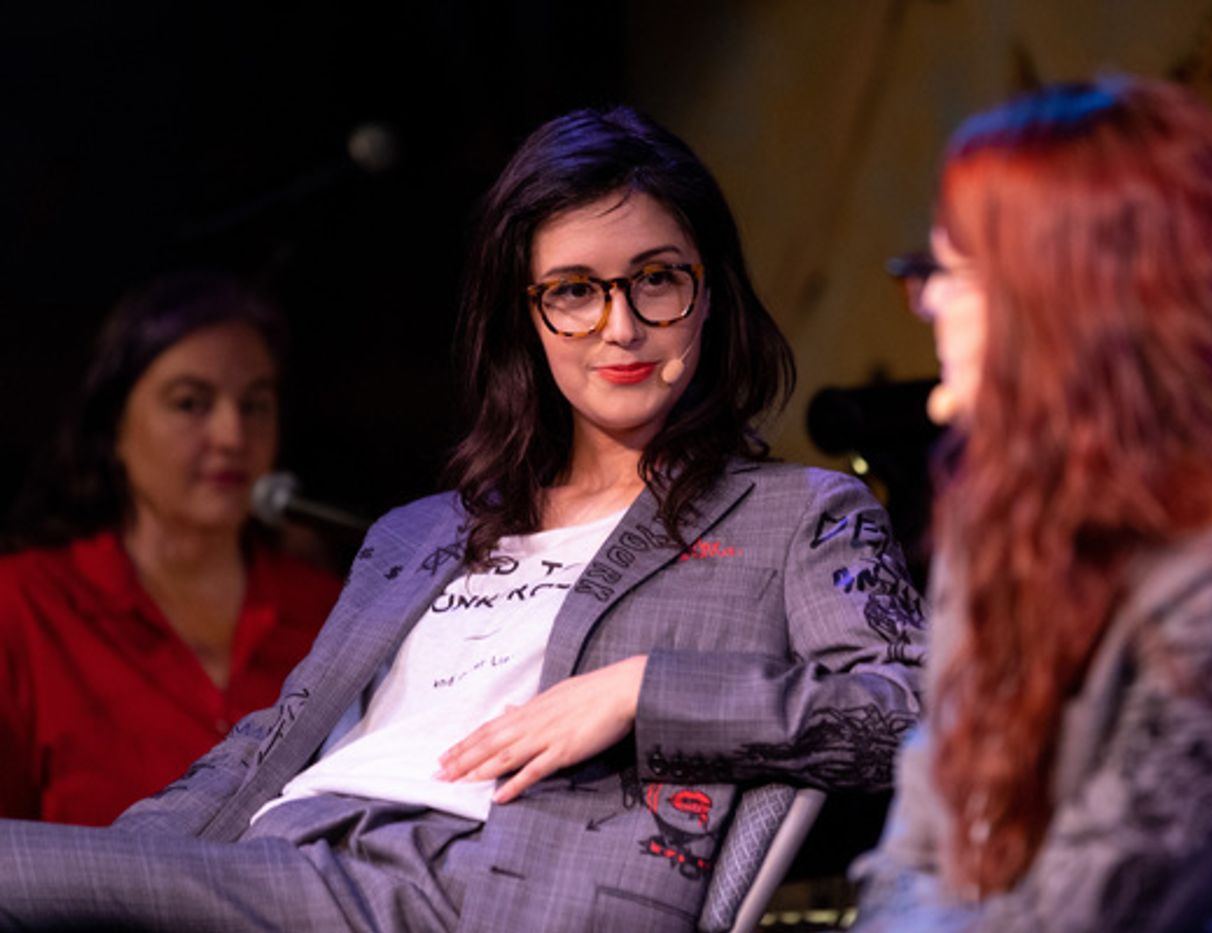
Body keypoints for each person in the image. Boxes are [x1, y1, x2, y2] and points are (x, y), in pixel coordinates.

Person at [0, 105, 924, 932]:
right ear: (524, 318)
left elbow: (917, 712)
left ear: (710, 291)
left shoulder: (795, 514)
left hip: (472, 879)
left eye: (657, 278)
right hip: (280, 858)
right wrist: (110, 873)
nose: (622, 326)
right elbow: (269, 740)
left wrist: (642, 690)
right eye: (574, 290)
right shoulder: (418, 532)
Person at [851, 76, 1212, 931]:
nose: (928, 306)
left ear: (1063, 304)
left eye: (950, 274)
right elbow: (909, 858)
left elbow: (1085, 914)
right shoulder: (1000, 525)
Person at [0, 273, 343, 827]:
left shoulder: (335, 612)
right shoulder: (22, 604)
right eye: (191, 403)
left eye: (255, 405)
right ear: (114, 428)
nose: (233, 435)